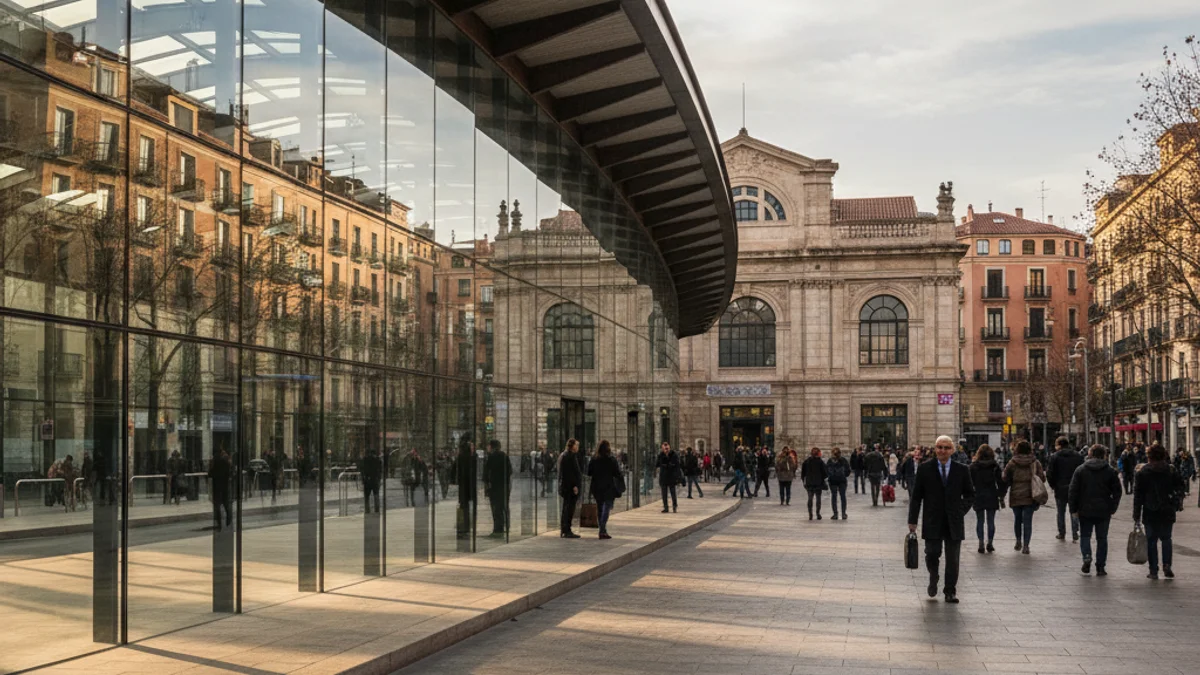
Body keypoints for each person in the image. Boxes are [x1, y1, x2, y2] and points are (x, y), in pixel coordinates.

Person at [908, 435, 975, 604]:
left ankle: (950, 591)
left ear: (952, 450)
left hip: (954, 520)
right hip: (933, 519)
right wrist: (912, 520)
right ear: (935, 449)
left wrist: (960, 510)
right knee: (931, 553)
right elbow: (916, 497)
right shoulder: (925, 469)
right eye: (939, 447)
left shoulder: (962, 469)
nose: (942, 451)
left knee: (953, 559)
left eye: (946, 448)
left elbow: (970, 494)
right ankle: (933, 575)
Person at [1133, 444, 1186, 579]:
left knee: (1151, 540)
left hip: (1150, 510)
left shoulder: (1143, 472)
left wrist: (1136, 514)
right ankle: (1167, 565)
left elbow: (1138, 495)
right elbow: (1181, 486)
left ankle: (1153, 570)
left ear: (1149, 456)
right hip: (1167, 508)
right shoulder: (1171, 470)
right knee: (1166, 538)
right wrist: (1177, 500)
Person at [1068, 444, 1122, 576]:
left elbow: (1073, 491)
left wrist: (1073, 509)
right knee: (1102, 538)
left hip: (1084, 509)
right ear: (1104, 455)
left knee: (1085, 535)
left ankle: (1087, 557)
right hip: (1103, 509)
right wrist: (1113, 506)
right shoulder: (1109, 470)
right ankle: (1100, 566)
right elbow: (1117, 491)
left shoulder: (1080, 470)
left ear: (1090, 454)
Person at [1003, 440, 1045, 555]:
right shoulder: (1035, 462)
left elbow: (1005, 477)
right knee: (1028, 521)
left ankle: (1018, 540)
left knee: (1017, 519)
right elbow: (1042, 477)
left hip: (1016, 494)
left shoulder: (1012, 462)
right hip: (1030, 494)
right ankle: (1026, 545)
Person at [968, 444, 1006, 554]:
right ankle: (990, 543)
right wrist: (1001, 494)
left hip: (978, 495)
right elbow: (1001, 482)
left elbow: (969, 483)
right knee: (991, 521)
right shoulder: (995, 466)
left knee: (980, 521)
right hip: (991, 495)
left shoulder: (973, 466)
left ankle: (981, 543)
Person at [1047, 436, 1084, 542]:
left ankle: (1061, 533)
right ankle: (1075, 532)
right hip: (1075, 487)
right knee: (1074, 511)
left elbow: (1050, 473)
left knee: (1060, 512)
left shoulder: (1054, 456)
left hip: (1060, 488)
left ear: (1059, 445)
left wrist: (1053, 485)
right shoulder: (1078, 456)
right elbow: (1082, 471)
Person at [587, 440, 622, 539]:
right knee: (607, 507)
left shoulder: (594, 459)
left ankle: (602, 530)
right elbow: (617, 473)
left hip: (596, 487)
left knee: (600, 508)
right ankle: (602, 529)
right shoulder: (611, 459)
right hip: (608, 487)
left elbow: (589, 472)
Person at [483, 439, 512, 537]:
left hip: (495, 487)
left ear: (491, 446)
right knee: (504, 507)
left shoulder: (491, 457)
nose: (487, 448)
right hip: (504, 486)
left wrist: (487, 484)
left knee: (496, 509)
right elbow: (510, 471)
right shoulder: (504, 456)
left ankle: (498, 530)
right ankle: (506, 526)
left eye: (488, 446)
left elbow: (486, 473)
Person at [559, 438, 583, 538]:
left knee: (567, 508)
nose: (577, 447)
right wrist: (574, 485)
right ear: (572, 446)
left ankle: (564, 529)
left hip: (566, 487)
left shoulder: (565, 455)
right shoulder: (569, 456)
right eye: (576, 445)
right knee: (569, 509)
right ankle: (566, 530)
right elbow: (569, 473)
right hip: (569, 488)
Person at [455, 436, 477, 540]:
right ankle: (466, 528)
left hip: (463, 486)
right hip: (469, 486)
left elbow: (456, 472)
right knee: (466, 508)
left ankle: (462, 529)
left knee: (463, 507)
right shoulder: (471, 458)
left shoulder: (461, 457)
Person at [208, 447, 234, 530]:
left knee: (217, 505)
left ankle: (219, 524)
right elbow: (230, 473)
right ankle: (229, 519)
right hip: (225, 485)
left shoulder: (214, 462)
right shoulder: (226, 462)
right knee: (226, 503)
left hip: (217, 485)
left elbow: (210, 473)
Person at [800, 447, 828, 521]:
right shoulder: (820, 462)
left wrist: (804, 481)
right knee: (818, 499)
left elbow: (803, 473)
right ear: (818, 453)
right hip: (818, 483)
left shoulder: (806, 461)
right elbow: (825, 473)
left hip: (809, 483)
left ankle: (810, 514)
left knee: (810, 498)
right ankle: (818, 514)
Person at [655, 441, 680, 513]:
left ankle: (674, 506)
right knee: (664, 493)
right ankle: (666, 507)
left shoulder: (673, 455)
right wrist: (662, 460)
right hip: (663, 476)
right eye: (664, 447)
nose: (666, 449)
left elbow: (677, 466)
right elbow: (657, 464)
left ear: (669, 447)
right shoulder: (661, 455)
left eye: (667, 447)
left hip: (671, 476)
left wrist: (677, 476)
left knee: (673, 492)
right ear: (662, 448)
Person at [359, 447, 383, 514]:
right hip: (375, 479)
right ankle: (377, 509)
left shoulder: (365, 459)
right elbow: (380, 470)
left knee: (367, 496)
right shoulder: (378, 460)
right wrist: (379, 479)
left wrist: (363, 479)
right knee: (376, 495)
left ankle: (367, 510)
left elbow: (362, 470)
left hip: (367, 480)